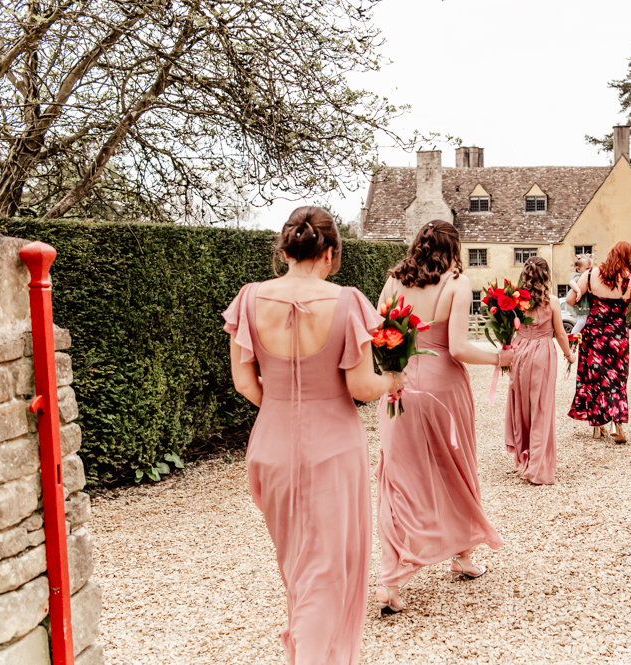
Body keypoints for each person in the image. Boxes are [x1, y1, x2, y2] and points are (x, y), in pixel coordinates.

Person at [222, 207, 404, 665]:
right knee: (326, 570)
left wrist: (288, 410)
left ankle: (307, 647)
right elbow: (361, 387)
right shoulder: (346, 301)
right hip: (333, 447)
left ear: (284, 250)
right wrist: (393, 382)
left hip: (272, 444)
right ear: (332, 253)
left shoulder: (248, 300)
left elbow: (245, 384)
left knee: (299, 567)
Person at [374, 220, 510, 615]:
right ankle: (463, 557)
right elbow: (458, 348)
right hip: (443, 388)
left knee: (399, 479)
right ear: (454, 248)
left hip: (398, 384)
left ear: (418, 245)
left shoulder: (392, 282)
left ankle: (391, 580)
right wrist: (500, 357)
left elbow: (380, 334)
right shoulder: (456, 283)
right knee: (456, 467)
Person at [566, 241, 631, 444]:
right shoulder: (630, 281)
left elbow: (570, 300)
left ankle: (597, 425)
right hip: (617, 336)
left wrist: (582, 299)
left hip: (593, 333)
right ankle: (616, 421)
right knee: (616, 379)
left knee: (594, 378)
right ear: (630, 258)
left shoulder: (590, 275)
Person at [505, 257, 576, 485]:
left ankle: (525, 459)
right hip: (543, 354)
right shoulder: (552, 302)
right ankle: (537, 466)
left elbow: (508, 330)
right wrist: (569, 354)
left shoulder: (516, 301)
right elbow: (561, 334)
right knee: (541, 408)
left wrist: (506, 355)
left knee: (522, 406)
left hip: (519, 351)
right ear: (546, 275)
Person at [567, 254, 594, 334]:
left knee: (582, 321)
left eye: (591, 268)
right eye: (587, 268)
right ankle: (572, 337)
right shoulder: (578, 276)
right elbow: (571, 282)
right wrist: (578, 291)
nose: (590, 270)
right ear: (578, 269)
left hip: (584, 302)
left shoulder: (587, 275)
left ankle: (575, 338)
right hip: (581, 303)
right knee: (581, 322)